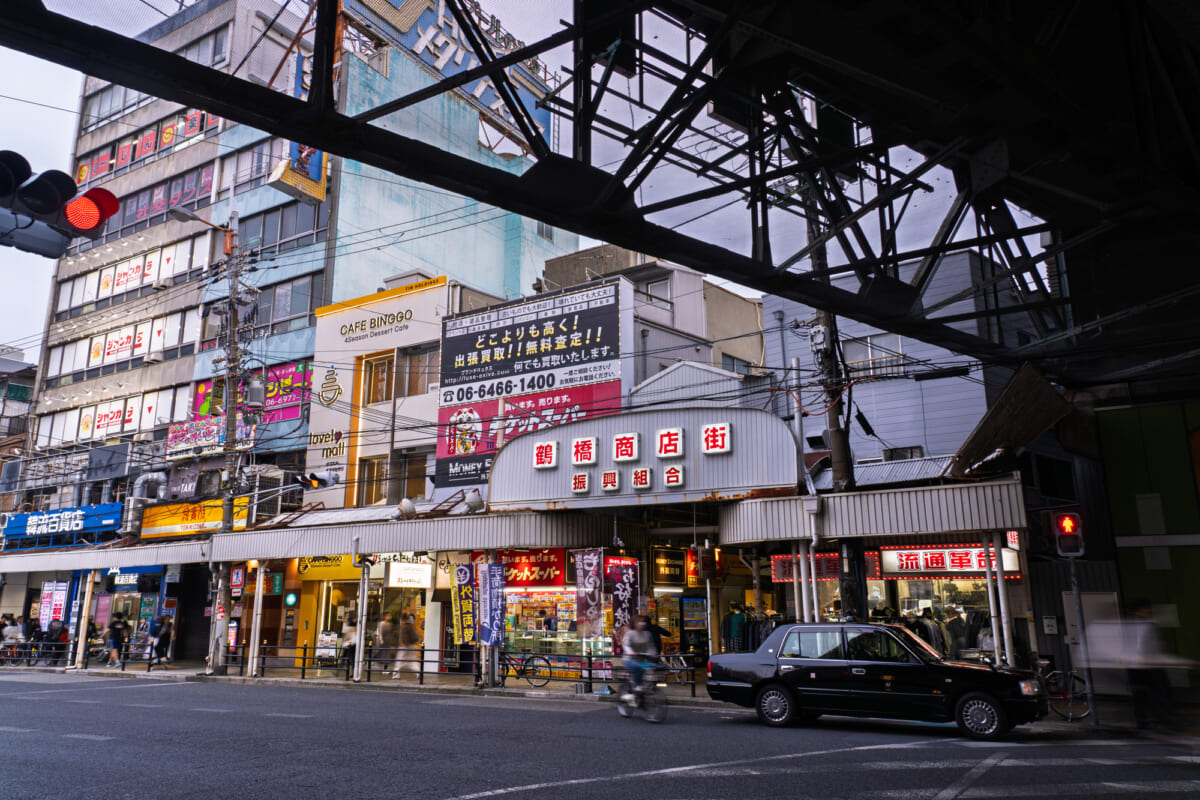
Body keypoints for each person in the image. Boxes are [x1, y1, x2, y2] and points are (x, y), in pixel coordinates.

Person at [620, 615, 659, 702]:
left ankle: (641, 689)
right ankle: (637, 687)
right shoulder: (630, 633)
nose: (642, 623)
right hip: (629, 659)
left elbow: (651, 646)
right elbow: (626, 644)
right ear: (635, 623)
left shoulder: (647, 634)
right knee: (638, 667)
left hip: (642, 659)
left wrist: (653, 653)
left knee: (649, 667)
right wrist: (630, 652)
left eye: (644, 621)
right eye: (640, 621)